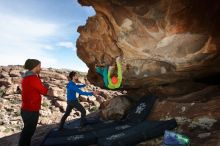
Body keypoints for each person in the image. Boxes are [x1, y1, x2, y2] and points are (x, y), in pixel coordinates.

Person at [19, 59, 49, 146]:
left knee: (27, 132)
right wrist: (47, 87)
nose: (41, 68)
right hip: (31, 110)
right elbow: (44, 91)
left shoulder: (25, 77)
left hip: (25, 108)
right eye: (39, 66)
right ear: (35, 67)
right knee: (27, 134)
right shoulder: (33, 78)